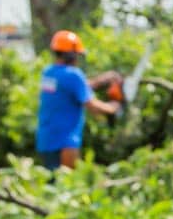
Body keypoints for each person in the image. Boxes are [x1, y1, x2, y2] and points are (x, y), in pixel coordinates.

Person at [36, 30, 121, 171]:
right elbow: (92, 106)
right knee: (68, 186)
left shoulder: (49, 73)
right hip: (65, 142)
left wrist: (101, 80)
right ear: (71, 55)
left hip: (46, 140)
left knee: (51, 186)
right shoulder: (74, 76)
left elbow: (69, 87)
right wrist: (113, 107)